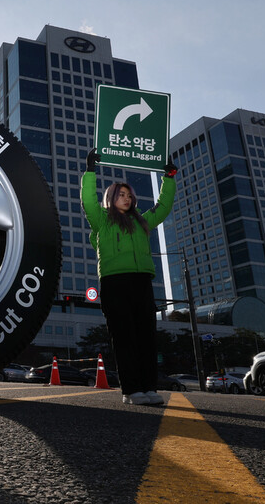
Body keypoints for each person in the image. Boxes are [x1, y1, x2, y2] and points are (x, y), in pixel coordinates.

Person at [81, 148, 177, 405]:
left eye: (129, 195)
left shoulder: (142, 221)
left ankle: (148, 388)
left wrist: (169, 176)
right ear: (110, 198)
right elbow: (89, 201)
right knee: (124, 337)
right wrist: (90, 171)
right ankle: (131, 390)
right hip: (114, 282)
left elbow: (164, 206)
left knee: (146, 336)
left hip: (142, 282)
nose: (126, 198)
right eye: (120, 195)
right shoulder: (101, 220)